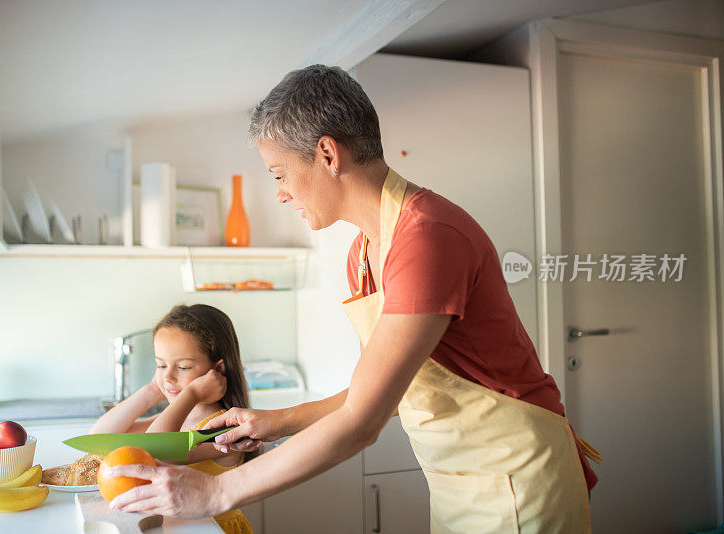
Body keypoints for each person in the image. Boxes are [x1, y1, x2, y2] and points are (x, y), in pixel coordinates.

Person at [107, 65, 602, 532]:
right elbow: (384, 394)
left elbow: (362, 421)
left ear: (327, 153)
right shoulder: (363, 253)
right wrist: (277, 421)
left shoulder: (427, 238)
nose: (279, 193)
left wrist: (218, 493)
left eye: (279, 173)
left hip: (514, 475)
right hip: (458, 481)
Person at [91, 303, 254, 534]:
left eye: (184, 367)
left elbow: (154, 450)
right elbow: (99, 438)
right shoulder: (169, 417)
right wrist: (150, 391)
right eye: (161, 365)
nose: (168, 376)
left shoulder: (224, 426)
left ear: (217, 369)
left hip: (212, 529)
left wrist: (192, 393)